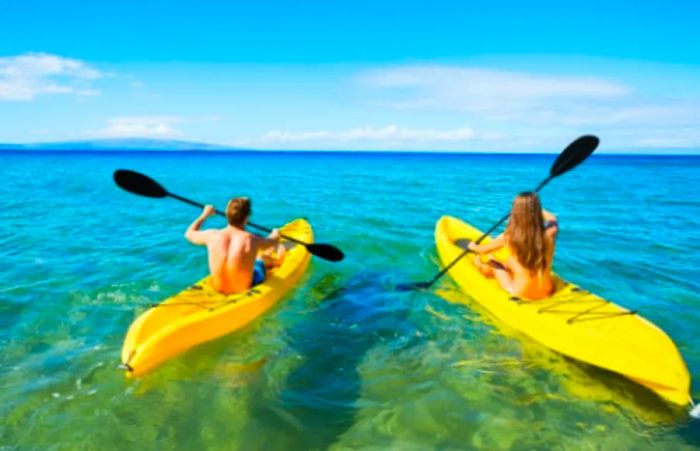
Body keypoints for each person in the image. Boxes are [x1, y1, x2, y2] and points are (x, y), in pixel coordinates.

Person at [468, 192, 558, 300]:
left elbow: (482, 250)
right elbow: (552, 218)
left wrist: (472, 246)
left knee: (492, 261)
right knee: (512, 261)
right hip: (548, 290)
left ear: (516, 212)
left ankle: (481, 267)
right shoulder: (551, 232)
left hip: (521, 292)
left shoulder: (510, 237)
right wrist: (534, 206)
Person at [184, 197, 280, 294]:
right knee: (260, 260)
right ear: (247, 217)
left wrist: (204, 215)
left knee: (256, 256)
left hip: (219, 289)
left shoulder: (212, 235)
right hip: (245, 288)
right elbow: (272, 242)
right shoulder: (251, 239)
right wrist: (276, 233)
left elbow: (189, 233)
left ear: (226, 214)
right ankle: (276, 262)